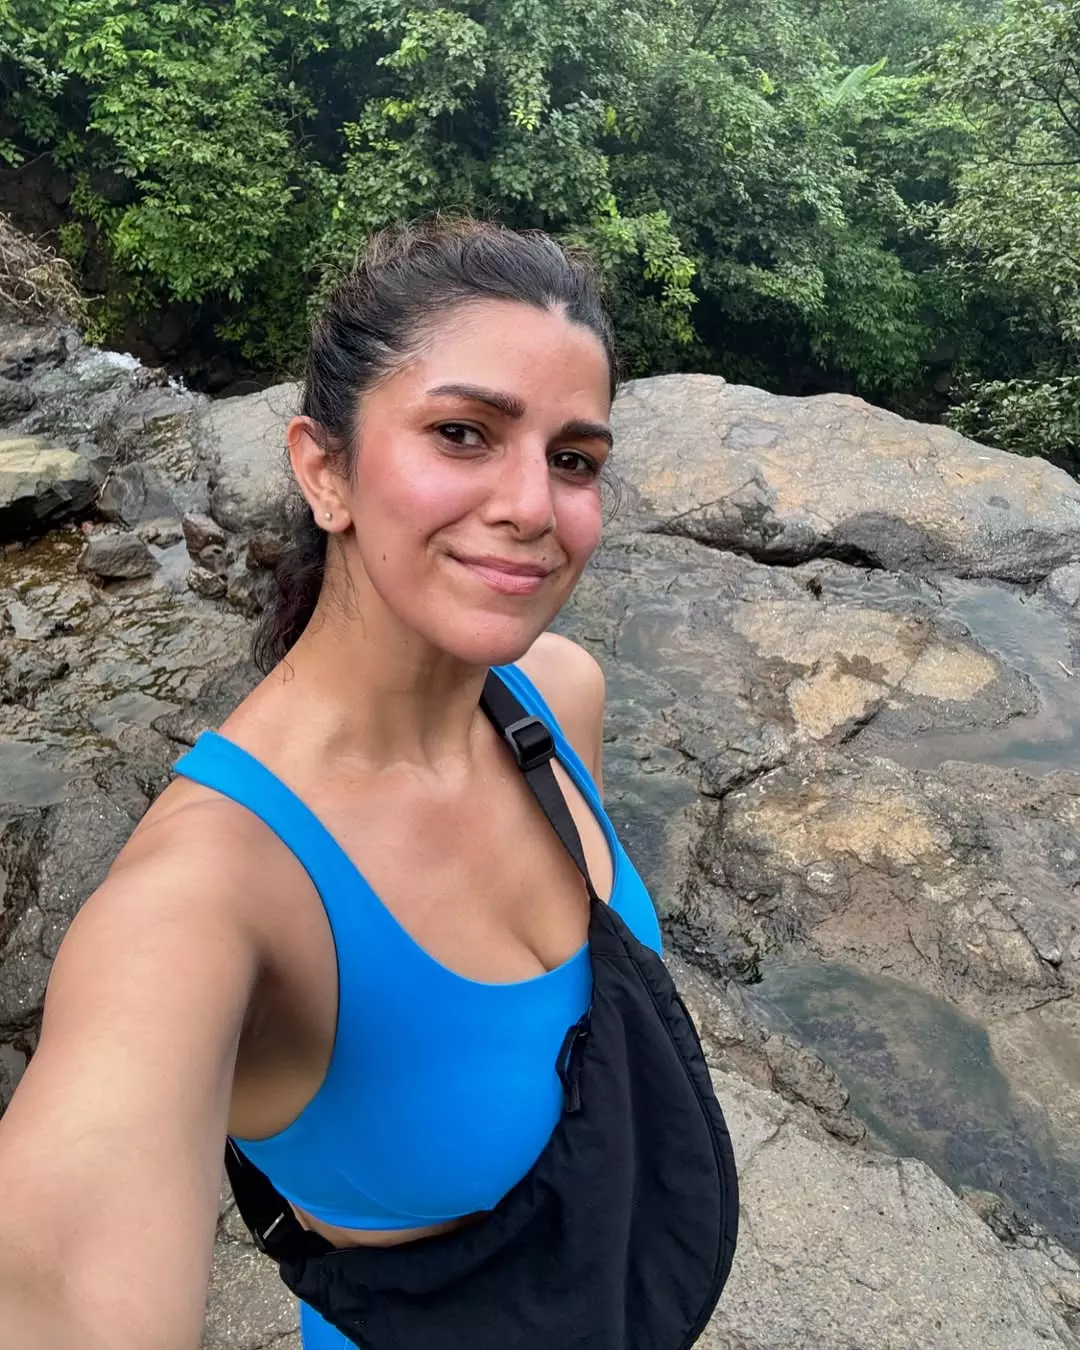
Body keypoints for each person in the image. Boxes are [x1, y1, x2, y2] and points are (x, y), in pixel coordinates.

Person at [0, 219, 689, 1348]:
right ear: (326, 469)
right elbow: (59, 1281)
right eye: (463, 434)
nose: (532, 506)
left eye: (574, 459)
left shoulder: (558, 697)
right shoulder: (208, 895)